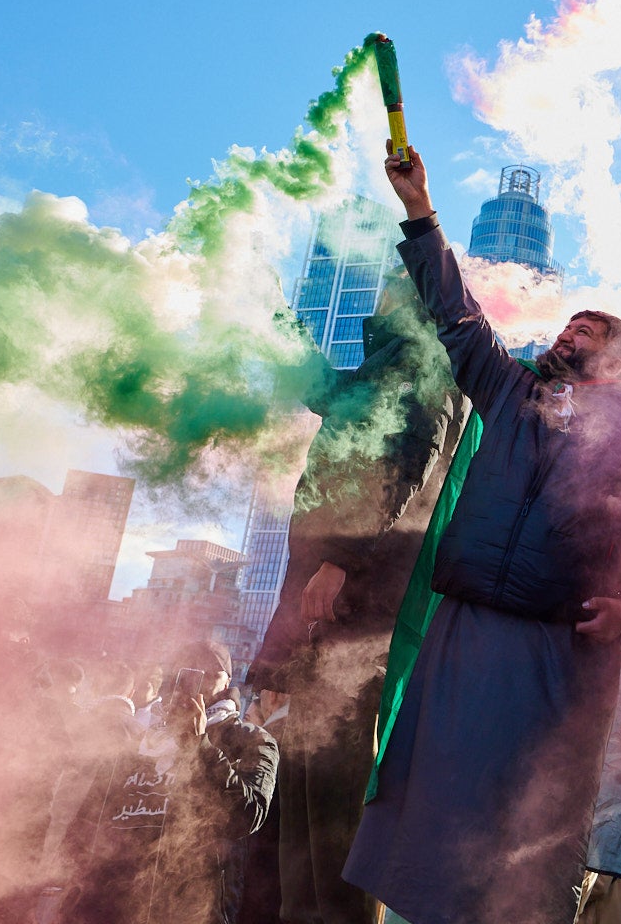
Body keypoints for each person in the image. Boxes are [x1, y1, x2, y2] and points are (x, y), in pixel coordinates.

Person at [345, 143, 621, 924]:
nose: (569, 333)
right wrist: (421, 213)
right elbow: (457, 320)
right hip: (467, 634)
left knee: (525, 839)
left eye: (588, 330)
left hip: (557, 654)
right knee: (435, 821)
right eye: (568, 324)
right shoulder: (513, 391)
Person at [247, 268, 469, 924]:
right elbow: (324, 391)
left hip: (363, 608)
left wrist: (342, 560)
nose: (384, 293)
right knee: (304, 794)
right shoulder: (389, 360)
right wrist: (278, 316)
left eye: (400, 284)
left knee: (340, 796)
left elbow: (409, 456)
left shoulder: (428, 361)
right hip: (327, 609)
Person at [58, 642, 278, 924]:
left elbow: (247, 815)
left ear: (228, 682)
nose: (197, 682)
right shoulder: (142, 735)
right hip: (111, 903)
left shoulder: (251, 739)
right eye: (188, 672)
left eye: (211, 673)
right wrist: (72, 887)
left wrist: (199, 746)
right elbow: (92, 815)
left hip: (192, 908)